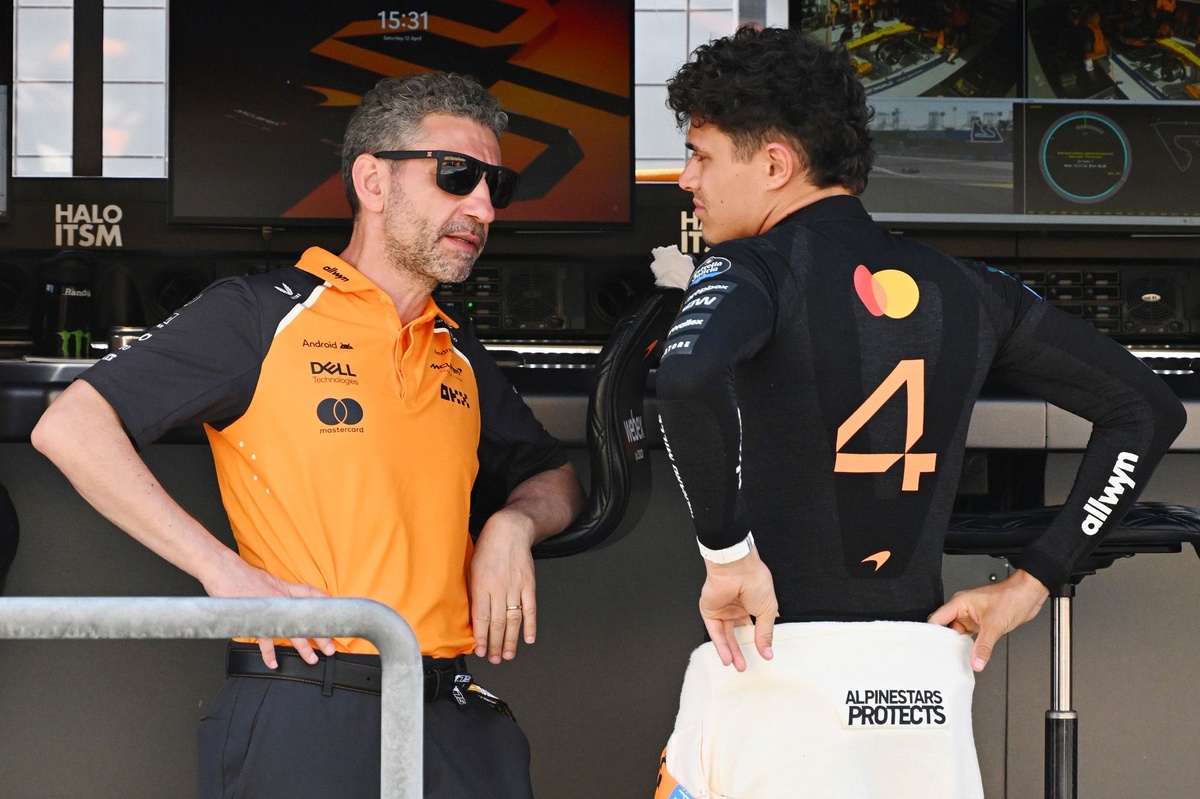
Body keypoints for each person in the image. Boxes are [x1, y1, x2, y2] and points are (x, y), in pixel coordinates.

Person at [651, 26, 1185, 799]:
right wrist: (1036, 578)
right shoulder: (969, 287)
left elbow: (688, 376)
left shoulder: (750, 267)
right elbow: (1147, 408)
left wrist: (727, 555)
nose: (686, 179)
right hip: (922, 695)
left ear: (773, 165)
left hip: (774, 680)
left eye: (701, 155)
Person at [31, 71, 583, 798]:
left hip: (449, 713)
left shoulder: (455, 349)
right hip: (306, 706)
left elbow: (555, 475)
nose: (482, 206)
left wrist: (514, 525)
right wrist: (220, 570)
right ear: (373, 181)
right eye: (457, 175)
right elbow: (71, 425)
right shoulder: (261, 312)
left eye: (496, 186)